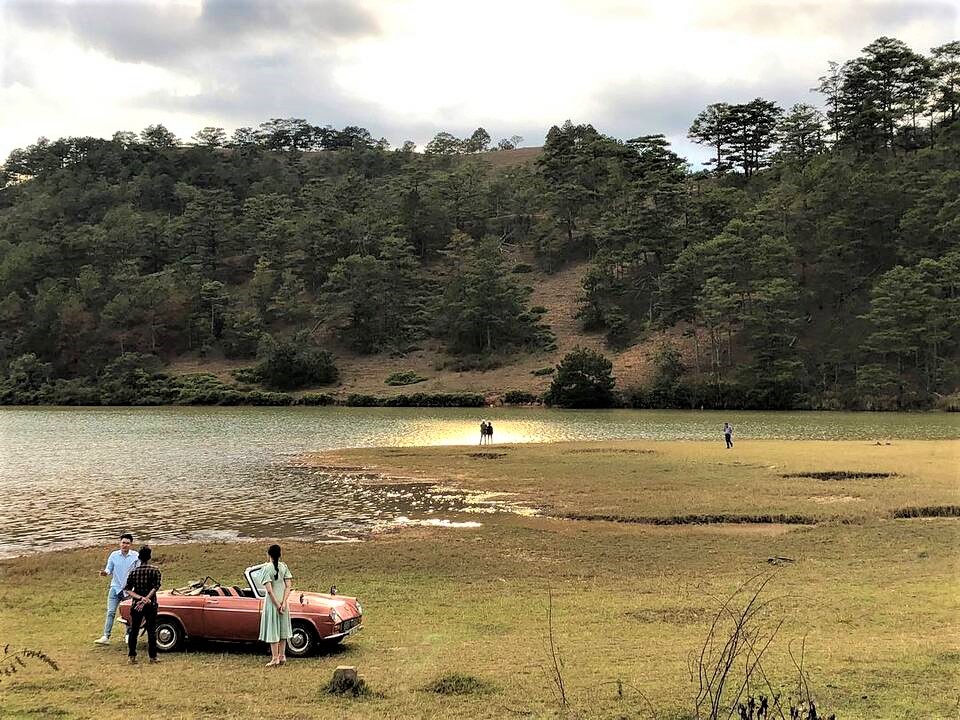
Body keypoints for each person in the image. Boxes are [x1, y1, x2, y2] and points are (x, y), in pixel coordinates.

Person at [95, 532, 140, 645]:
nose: (125, 545)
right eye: (123, 543)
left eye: (127, 543)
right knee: (110, 612)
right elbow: (109, 569)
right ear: (120, 543)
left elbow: (138, 571)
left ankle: (128, 634)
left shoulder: (135, 556)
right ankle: (106, 636)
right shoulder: (114, 555)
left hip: (129, 590)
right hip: (115, 588)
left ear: (131, 544)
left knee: (129, 613)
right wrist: (105, 573)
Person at [124, 545, 162, 664]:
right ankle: (153, 657)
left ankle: (132, 656)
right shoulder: (155, 571)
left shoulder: (134, 572)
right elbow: (156, 587)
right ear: (149, 557)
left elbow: (128, 589)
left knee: (134, 630)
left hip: (136, 604)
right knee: (151, 630)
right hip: (151, 604)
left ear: (139, 558)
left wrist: (140, 598)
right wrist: (147, 598)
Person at [258, 544, 293, 667]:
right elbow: (288, 586)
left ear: (269, 554)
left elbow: (269, 590)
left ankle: (275, 658)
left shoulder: (266, 568)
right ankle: (282, 656)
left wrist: (277, 605)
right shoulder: (284, 567)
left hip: (273, 603)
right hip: (283, 601)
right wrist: (283, 602)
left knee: (273, 629)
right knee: (283, 628)